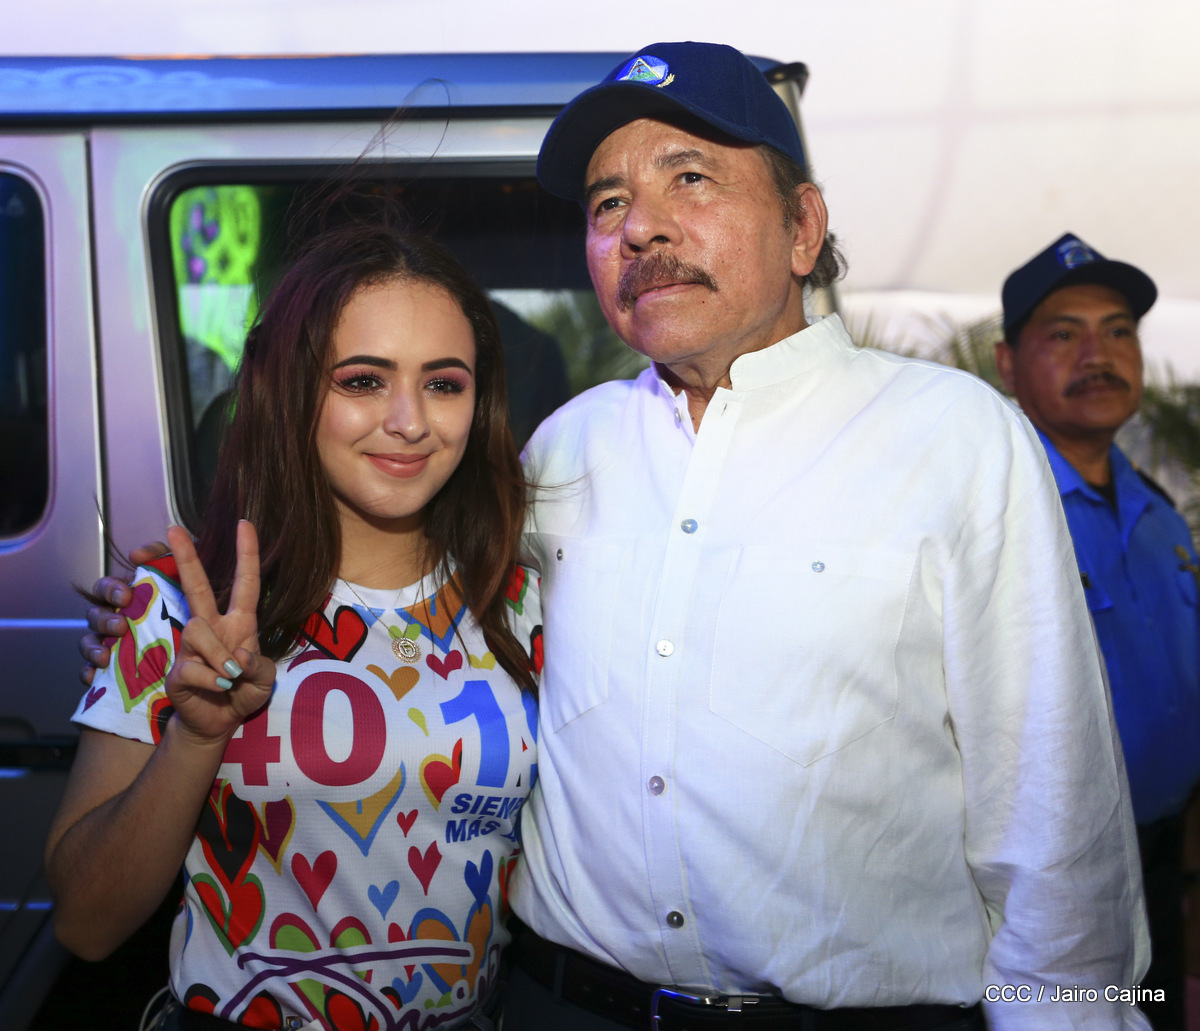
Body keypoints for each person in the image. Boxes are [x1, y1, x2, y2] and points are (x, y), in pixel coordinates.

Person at [84, 42, 1149, 1031]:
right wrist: (153, 626)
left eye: (691, 178)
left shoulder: (954, 438)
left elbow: (1057, 826)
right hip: (563, 1006)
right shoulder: (562, 451)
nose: (641, 227)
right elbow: (394, 594)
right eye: (609, 202)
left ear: (803, 226)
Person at [49, 215, 541, 1031]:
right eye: (363, 380)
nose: (410, 420)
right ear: (291, 390)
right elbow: (84, 923)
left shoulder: (521, 602)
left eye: (444, 383)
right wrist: (196, 736)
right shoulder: (179, 603)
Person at [995, 233, 1200, 1030]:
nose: (1099, 354)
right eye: (1064, 333)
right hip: (1055, 885)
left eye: (1119, 331)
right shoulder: (1004, 514)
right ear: (1008, 364)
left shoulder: (1158, 512)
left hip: (1167, 862)